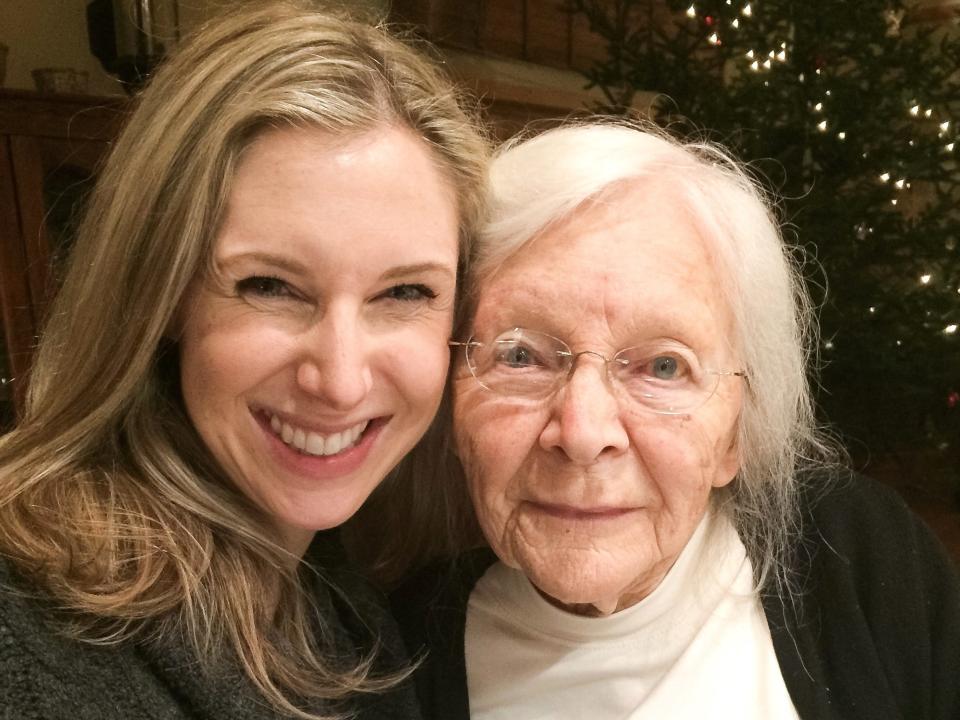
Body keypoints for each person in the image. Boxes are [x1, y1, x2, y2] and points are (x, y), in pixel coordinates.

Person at [0, 2, 487, 718]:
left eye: (405, 291)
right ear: (161, 294)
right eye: (271, 286)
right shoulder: (29, 635)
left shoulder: (340, 584)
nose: (341, 379)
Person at [392, 122, 960, 719]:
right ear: (452, 404)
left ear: (737, 431)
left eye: (664, 366)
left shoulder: (864, 560)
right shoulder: (395, 661)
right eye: (520, 356)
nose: (584, 434)